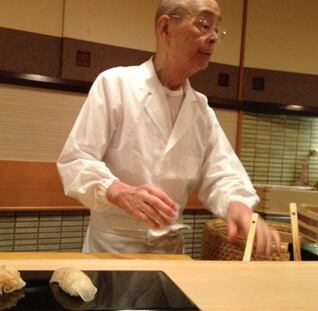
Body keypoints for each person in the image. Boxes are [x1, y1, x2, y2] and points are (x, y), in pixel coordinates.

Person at [57, 0, 280, 257]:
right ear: (165, 28)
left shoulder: (200, 109)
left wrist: (238, 205)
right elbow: (75, 160)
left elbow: (223, 173)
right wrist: (118, 190)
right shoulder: (115, 84)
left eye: (218, 30)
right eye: (205, 25)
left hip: (170, 254)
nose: (213, 38)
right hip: (112, 249)